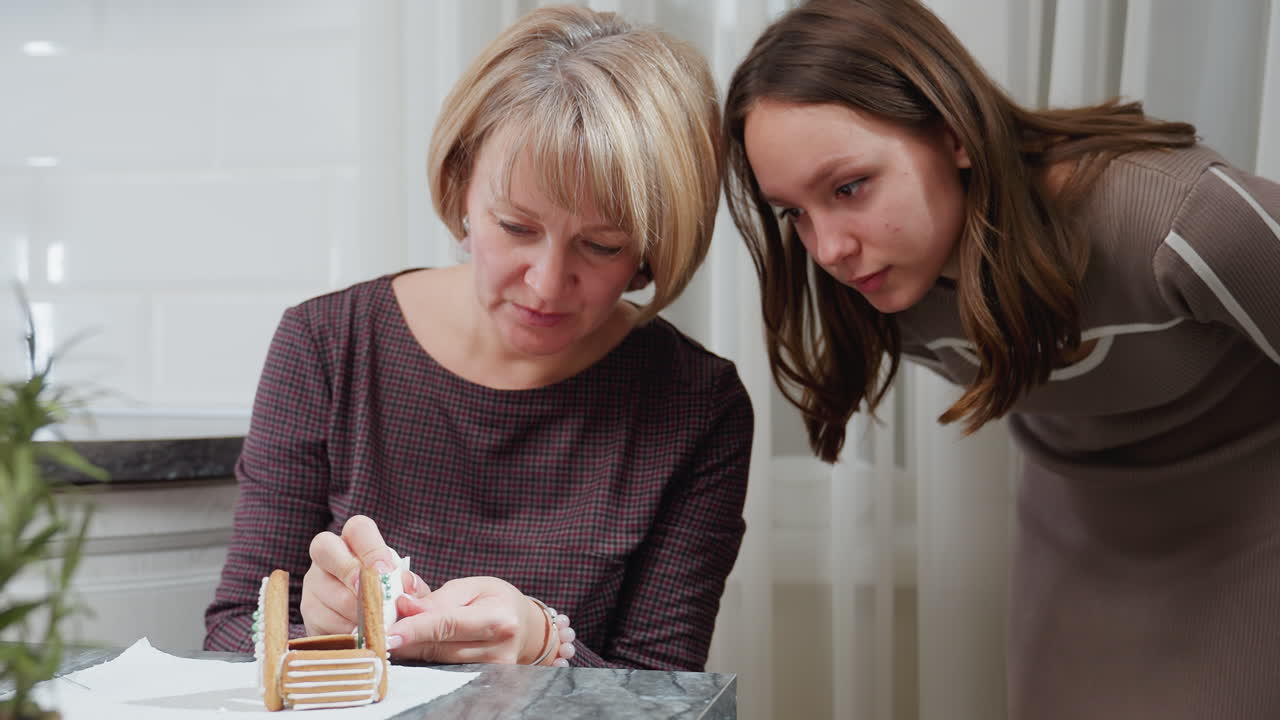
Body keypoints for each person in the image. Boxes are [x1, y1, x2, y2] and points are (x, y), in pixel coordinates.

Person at [723, 0, 1280, 717]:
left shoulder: (1179, 220)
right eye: (794, 212)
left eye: (849, 187)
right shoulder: (875, 289)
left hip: (1256, 526)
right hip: (1078, 541)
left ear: (954, 134)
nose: (828, 248)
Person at [205, 5, 752, 673]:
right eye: (516, 227)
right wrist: (315, 631)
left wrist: (545, 646)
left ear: (651, 246)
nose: (546, 283)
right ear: (462, 186)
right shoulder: (328, 344)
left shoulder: (697, 403)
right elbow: (234, 630)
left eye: (602, 245)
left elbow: (664, 696)